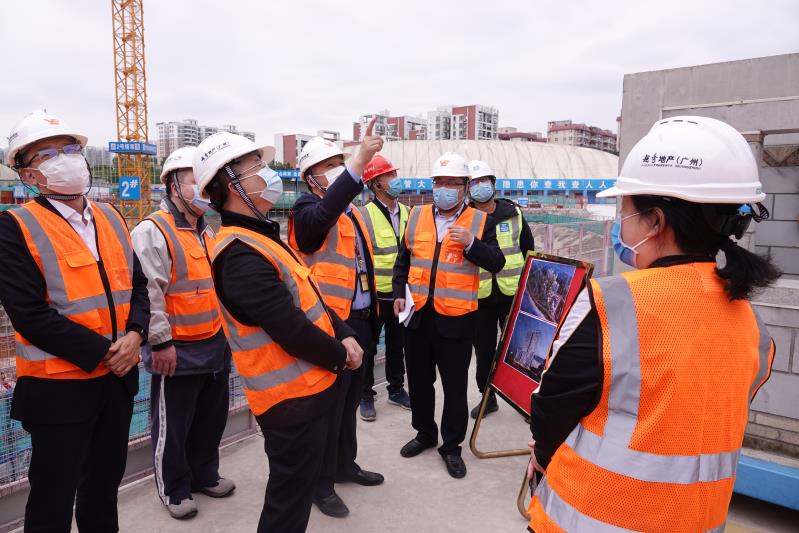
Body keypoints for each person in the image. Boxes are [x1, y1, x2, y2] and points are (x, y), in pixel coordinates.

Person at [526, 116, 779, 533]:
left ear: (656, 221)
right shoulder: (751, 322)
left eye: (625, 211)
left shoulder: (609, 302)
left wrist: (541, 458)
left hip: (588, 519)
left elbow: (552, 407)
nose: (620, 223)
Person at [195, 131, 363, 532]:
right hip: (289, 402)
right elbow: (290, 329)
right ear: (230, 183)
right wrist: (341, 355)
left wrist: (343, 331)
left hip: (309, 389)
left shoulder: (260, 236)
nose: (267, 173)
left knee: (295, 497)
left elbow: (310, 296)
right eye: (256, 165)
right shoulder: (239, 253)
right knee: (287, 506)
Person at [0, 110, 150, 532]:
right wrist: (107, 352)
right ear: (28, 174)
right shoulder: (15, 227)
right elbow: (29, 314)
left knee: (103, 491)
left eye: (69, 148)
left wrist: (136, 334)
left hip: (117, 383)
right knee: (52, 499)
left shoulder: (111, 216)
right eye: (48, 154)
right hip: (60, 390)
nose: (65, 158)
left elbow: (138, 285)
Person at [287, 119, 385, 518]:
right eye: (328, 166)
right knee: (326, 409)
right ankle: (320, 483)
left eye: (338, 163)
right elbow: (319, 221)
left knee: (347, 404)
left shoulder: (352, 213)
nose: (337, 170)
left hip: (359, 320)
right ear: (310, 178)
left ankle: (345, 465)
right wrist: (358, 164)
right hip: (328, 327)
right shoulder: (306, 210)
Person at [131, 146, 234, 520]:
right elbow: (150, 293)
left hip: (214, 346)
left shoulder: (207, 231)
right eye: (196, 180)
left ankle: (204, 473)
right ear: (175, 186)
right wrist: (159, 342)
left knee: (210, 419)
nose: (204, 188)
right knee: (172, 428)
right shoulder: (152, 231)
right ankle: (174, 488)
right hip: (176, 351)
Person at [393, 152, 505, 479]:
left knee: (454, 388)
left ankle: (451, 446)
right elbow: (403, 261)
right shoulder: (416, 216)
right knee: (419, 382)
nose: (444, 188)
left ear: (465, 187)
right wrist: (399, 293)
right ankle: (425, 433)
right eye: (439, 182)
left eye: (452, 183)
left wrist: (471, 244)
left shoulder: (480, 221)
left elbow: (496, 262)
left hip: (457, 320)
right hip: (417, 316)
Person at [467, 160, 534, 419]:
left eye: (484, 181)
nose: (479, 186)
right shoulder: (465, 217)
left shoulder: (514, 214)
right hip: (480, 297)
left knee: (520, 351)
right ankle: (488, 399)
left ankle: (524, 400)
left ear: (493, 184)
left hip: (512, 295)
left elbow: (529, 251)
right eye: (474, 182)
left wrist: (530, 289)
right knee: (484, 352)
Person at [357, 154, 412, 422]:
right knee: (368, 347)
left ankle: (396, 389)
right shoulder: (364, 215)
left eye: (394, 174)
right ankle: (365, 395)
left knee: (396, 345)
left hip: (400, 294)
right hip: (374, 296)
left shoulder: (408, 212)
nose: (395, 180)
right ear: (376, 183)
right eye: (389, 175)